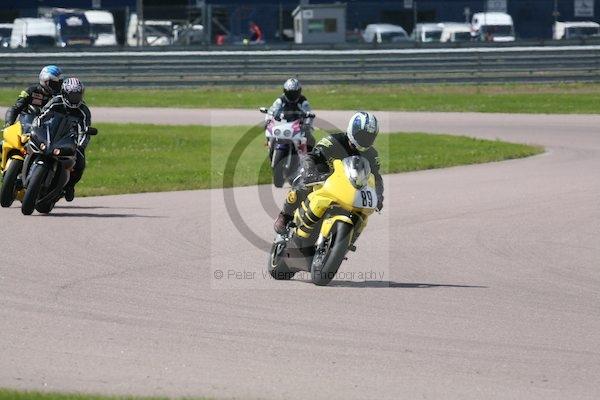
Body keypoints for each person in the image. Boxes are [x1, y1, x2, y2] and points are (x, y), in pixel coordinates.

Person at [274, 111, 384, 235]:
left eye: (369, 137)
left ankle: (346, 240)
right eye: (362, 135)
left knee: (362, 213)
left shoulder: (372, 154)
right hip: (323, 178)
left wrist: (378, 195)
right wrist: (310, 171)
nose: (365, 139)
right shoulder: (333, 141)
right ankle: (285, 216)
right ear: (352, 130)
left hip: (349, 187)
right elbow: (311, 156)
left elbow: (376, 177)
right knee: (301, 183)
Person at [36, 77, 92, 202]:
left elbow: (86, 131)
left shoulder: (83, 110)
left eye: (77, 95)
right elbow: (41, 116)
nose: (75, 98)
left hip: (68, 139)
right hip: (50, 134)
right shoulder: (56, 102)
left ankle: (70, 186)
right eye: (72, 95)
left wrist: (80, 146)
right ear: (65, 93)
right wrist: (37, 128)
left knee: (80, 162)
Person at [267, 78, 315, 149]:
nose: (292, 95)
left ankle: (307, 152)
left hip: (298, 124)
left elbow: (308, 111)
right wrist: (270, 118)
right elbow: (273, 109)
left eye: (294, 93)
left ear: (299, 92)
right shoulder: (281, 99)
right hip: (282, 123)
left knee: (309, 137)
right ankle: (270, 143)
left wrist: (307, 123)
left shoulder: (303, 100)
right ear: (285, 91)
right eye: (290, 93)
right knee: (270, 128)